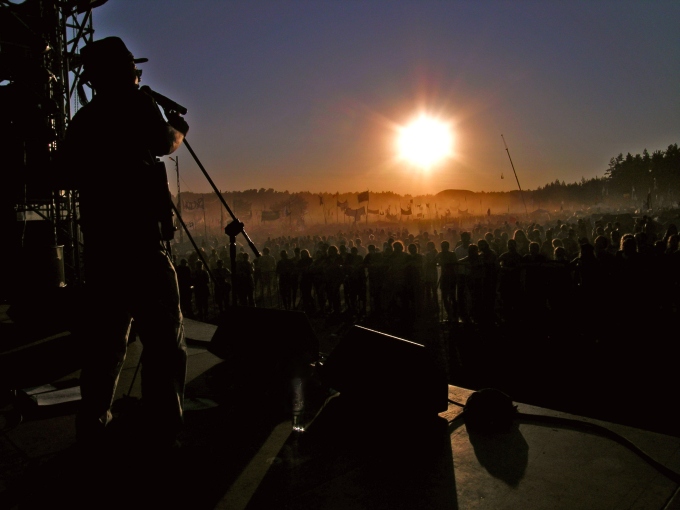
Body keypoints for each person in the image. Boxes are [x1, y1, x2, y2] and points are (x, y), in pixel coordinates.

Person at [60, 37, 189, 450]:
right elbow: (161, 142)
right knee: (165, 342)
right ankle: (163, 428)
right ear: (124, 71)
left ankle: (93, 427)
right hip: (140, 246)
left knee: (103, 347)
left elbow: (64, 172)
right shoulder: (137, 105)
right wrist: (179, 130)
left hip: (102, 250)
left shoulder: (84, 120)